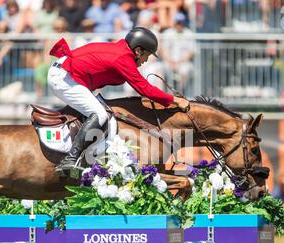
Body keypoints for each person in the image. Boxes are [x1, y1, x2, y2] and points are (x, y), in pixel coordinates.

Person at [47, 27, 190, 177]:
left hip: (68, 73)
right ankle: (70, 159)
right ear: (138, 51)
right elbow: (145, 89)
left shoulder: (122, 50)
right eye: (146, 56)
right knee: (99, 114)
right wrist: (175, 100)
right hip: (64, 76)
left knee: (100, 111)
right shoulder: (123, 58)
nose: (146, 61)